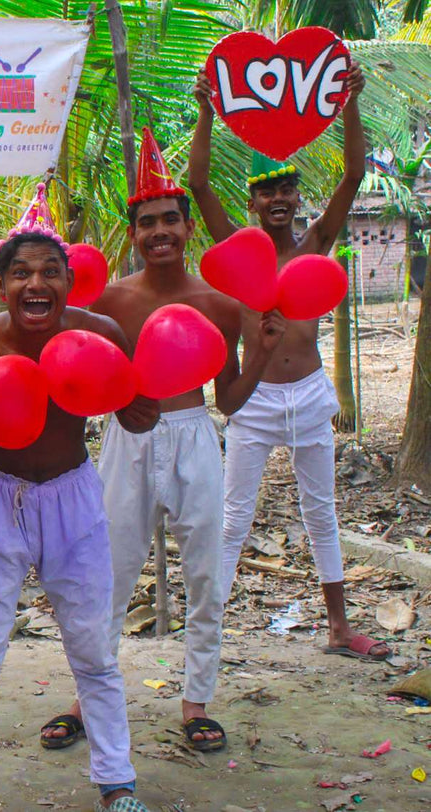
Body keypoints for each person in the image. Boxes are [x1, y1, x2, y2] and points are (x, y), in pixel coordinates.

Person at [44, 129, 284, 754]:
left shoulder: (220, 303)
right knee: (107, 574)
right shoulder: (108, 304)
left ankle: (196, 699)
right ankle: (85, 697)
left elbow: (227, 399)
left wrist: (260, 353)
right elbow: (82, 376)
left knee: (206, 574)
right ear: (132, 235)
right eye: (147, 222)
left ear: (186, 228)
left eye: (170, 220)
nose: (160, 232)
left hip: (196, 437)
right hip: (125, 441)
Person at [0, 184, 156, 812]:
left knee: (93, 651)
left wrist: (143, 412)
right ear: (0, 284)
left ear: (68, 280)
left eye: (51, 271)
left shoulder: (103, 333)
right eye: (22, 272)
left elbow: (137, 413)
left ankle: (117, 786)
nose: (38, 283)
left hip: (74, 496)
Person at [188, 65, 388, 662]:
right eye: (267, 191)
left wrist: (348, 102)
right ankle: (210, 634)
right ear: (251, 201)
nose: (278, 199)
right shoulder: (235, 253)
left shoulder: (314, 246)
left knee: (320, 513)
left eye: (287, 189)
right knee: (234, 519)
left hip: (309, 394)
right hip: (255, 402)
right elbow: (198, 185)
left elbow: (354, 174)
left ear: (297, 196)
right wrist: (205, 110)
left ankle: (337, 627)